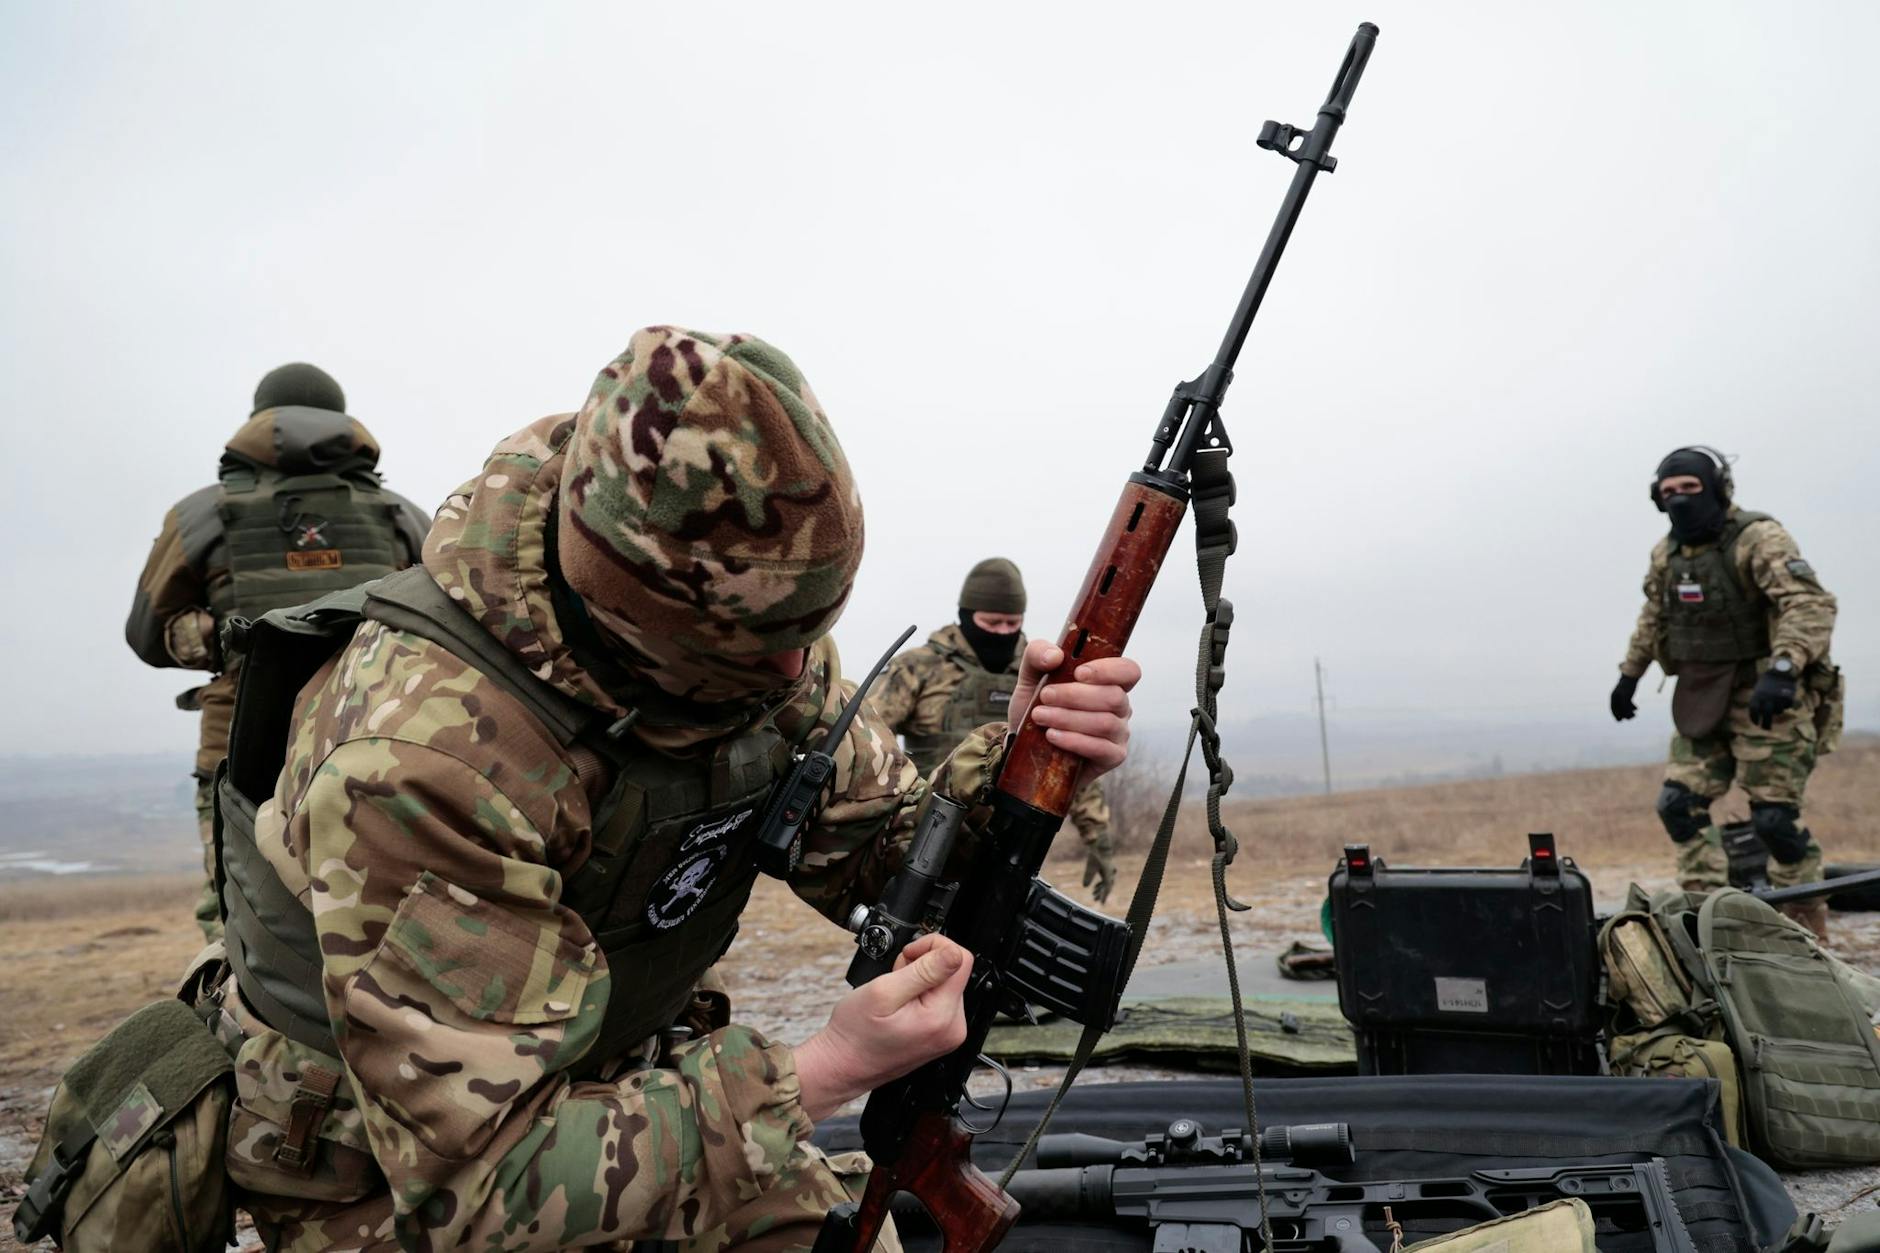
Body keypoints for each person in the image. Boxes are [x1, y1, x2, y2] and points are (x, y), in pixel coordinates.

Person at [202, 328, 1141, 1250]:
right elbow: (479, 1187)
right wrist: (824, 1070)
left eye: (806, 630)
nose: (793, 670)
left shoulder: (739, 632)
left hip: (625, 1079)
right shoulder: (424, 756)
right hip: (395, 1175)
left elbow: (879, 846)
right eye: (758, 648)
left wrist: (1018, 761)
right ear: (636, 614)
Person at [125, 363, 430, 940]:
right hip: (378, 740)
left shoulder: (199, 515)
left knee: (239, 923)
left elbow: (147, 635)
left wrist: (222, 632)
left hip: (243, 746)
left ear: (257, 421)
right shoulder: (403, 516)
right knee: (382, 915)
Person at [1610, 446, 1842, 939]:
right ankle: (1706, 920)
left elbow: (1809, 604)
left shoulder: (1757, 539)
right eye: (1668, 493)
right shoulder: (1666, 554)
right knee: (1678, 804)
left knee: (1775, 820)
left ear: (1716, 488)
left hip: (1767, 697)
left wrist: (1783, 669)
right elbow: (1654, 618)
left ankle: (1801, 933)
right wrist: (1630, 674)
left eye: (1690, 490)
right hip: (1702, 692)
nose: (1679, 501)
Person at [868, 557, 1120, 903]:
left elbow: (1065, 758)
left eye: (1012, 622)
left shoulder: (1041, 675)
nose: (1003, 632)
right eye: (992, 621)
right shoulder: (918, 668)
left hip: (1012, 843)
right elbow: (866, 739)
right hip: (929, 836)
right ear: (966, 615)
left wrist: (1098, 838)